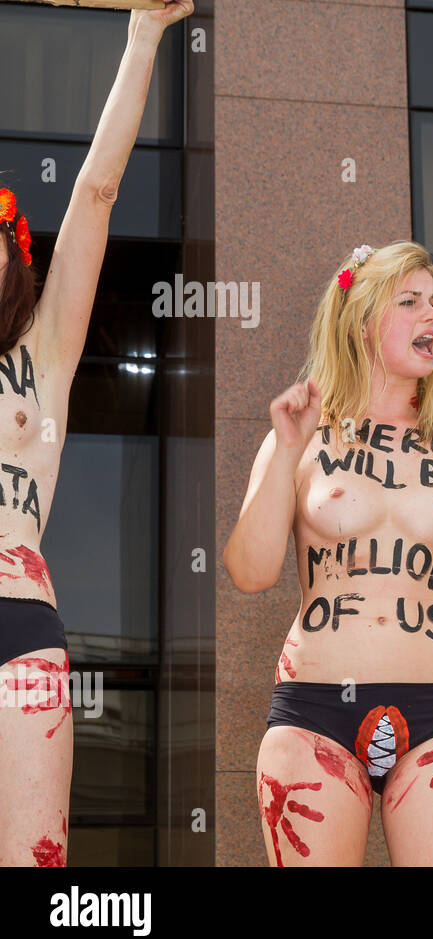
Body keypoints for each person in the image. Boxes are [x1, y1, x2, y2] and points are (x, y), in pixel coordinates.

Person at [223, 242, 433, 866]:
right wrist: (283, 451)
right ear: (360, 321)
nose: (430, 317)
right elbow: (250, 573)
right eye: (408, 302)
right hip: (315, 706)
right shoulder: (301, 437)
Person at [0, 0, 193, 867]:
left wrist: (143, 36)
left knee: (35, 860)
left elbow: (94, 192)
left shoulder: (42, 353)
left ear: (16, 257)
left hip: (20, 629)